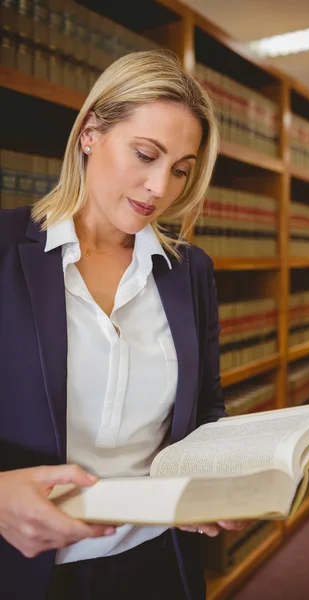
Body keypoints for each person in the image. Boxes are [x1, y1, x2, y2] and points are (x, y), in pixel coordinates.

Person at [0, 50, 246, 600]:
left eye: (181, 169)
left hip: (159, 563)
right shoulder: (2, 249)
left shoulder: (191, 271)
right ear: (90, 133)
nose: (161, 187)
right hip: (25, 568)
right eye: (145, 154)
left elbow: (205, 408)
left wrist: (220, 483)